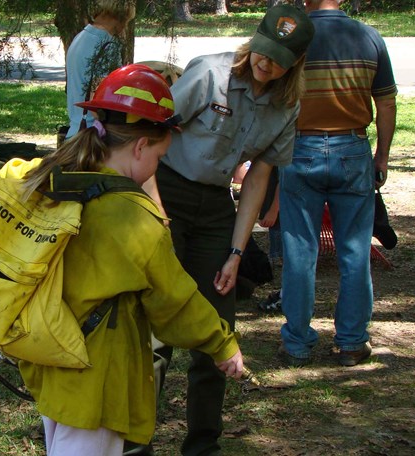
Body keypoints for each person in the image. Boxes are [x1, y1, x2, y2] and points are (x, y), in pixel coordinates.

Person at [16, 64, 244, 456]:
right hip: (98, 373)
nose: (158, 166)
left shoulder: (61, 184)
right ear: (140, 147)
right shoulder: (134, 215)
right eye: (160, 155)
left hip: (51, 357)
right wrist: (222, 344)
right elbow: (175, 299)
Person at [152, 5, 315, 455]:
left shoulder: (287, 105)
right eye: (263, 50)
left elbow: (259, 176)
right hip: (163, 189)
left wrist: (237, 253)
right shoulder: (209, 73)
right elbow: (150, 134)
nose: (266, 62)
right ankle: (134, 438)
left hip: (215, 206)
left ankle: (203, 444)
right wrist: (156, 216)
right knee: (155, 324)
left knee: (218, 328)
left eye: (278, 57)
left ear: (295, 63)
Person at [278, 0, 397, 367]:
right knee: (354, 252)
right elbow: (387, 105)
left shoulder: (291, 37)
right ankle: (351, 341)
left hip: (299, 148)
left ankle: (296, 343)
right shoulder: (368, 37)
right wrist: (382, 155)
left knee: (299, 252)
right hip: (352, 148)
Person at [65, 0, 135, 139]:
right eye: (126, 21)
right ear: (119, 17)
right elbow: (98, 99)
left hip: (75, 130)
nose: (124, 27)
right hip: (92, 134)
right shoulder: (106, 44)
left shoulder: (81, 36)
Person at [257, 166, 283, 312]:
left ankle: (285, 296)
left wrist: (273, 210)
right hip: (279, 217)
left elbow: (283, 180)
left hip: (282, 217)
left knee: (283, 260)